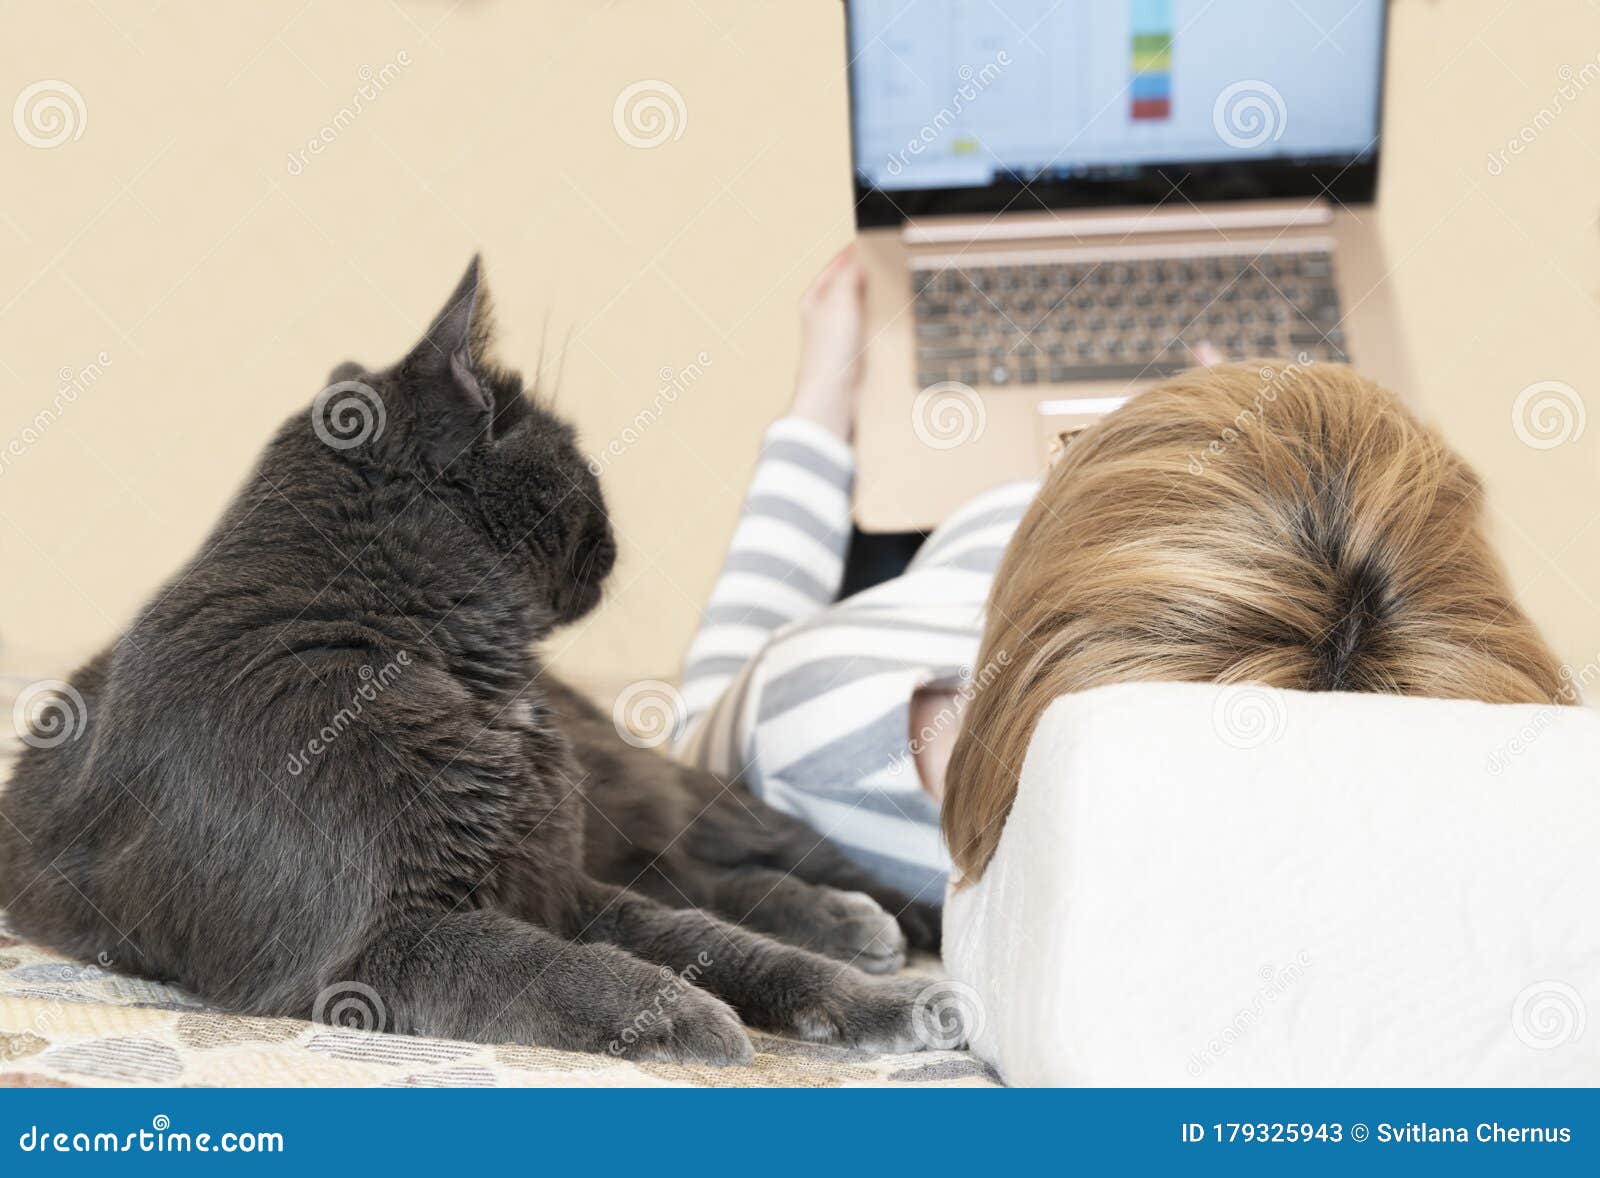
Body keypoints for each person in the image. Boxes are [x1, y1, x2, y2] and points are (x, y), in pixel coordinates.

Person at [674, 248, 1570, 905]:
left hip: (970, 588)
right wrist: (1241, 435)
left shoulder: (816, 725)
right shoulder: (1466, 752)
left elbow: (683, 748)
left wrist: (815, 416)